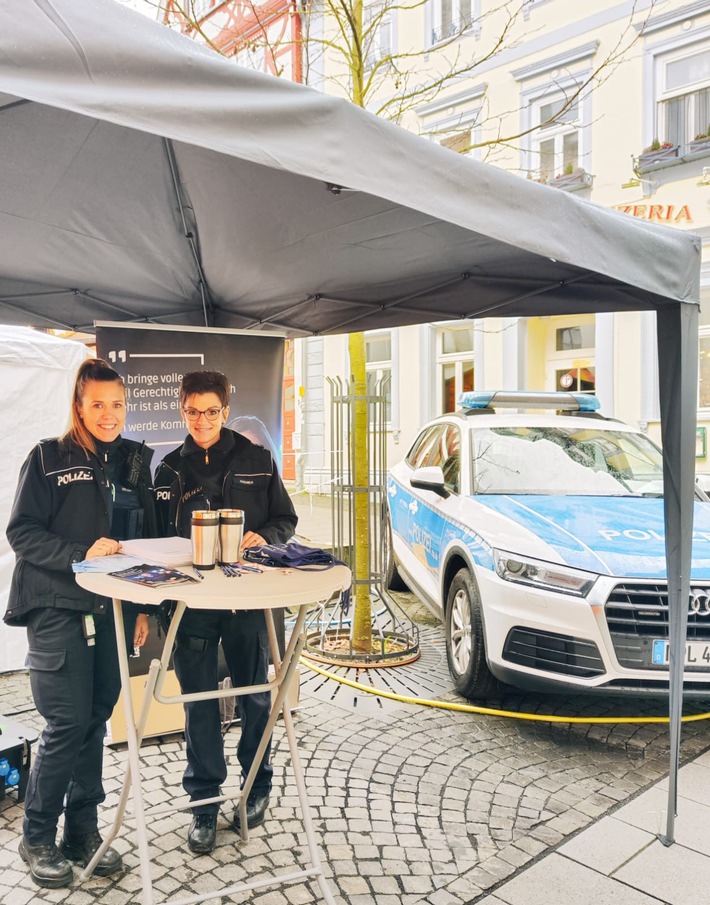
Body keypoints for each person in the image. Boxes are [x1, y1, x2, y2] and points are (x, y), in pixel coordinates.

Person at [4, 358, 157, 889]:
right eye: (98, 404)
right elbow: (21, 532)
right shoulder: (48, 458)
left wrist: (142, 608)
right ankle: (37, 835)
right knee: (66, 722)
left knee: (95, 720)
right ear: (79, 405)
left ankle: (82, 831)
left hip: (111, 609)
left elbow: (143, 544)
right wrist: (78, 554)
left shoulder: (135, 464)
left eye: (117, 404)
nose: (108, 414)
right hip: (55, 606)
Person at [153, 370, 297, 855]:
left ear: (226, 411)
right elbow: (155, 542)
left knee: (255, 697)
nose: (202, 421)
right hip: (192, 607)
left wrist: (266, 537)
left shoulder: (256, 457)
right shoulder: (169, 469)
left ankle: (256, 789)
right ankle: (204, 805)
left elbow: (285, 519)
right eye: (192, 412)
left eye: (211, 411)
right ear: (182, 410)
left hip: (245, 603)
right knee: (199, 704)